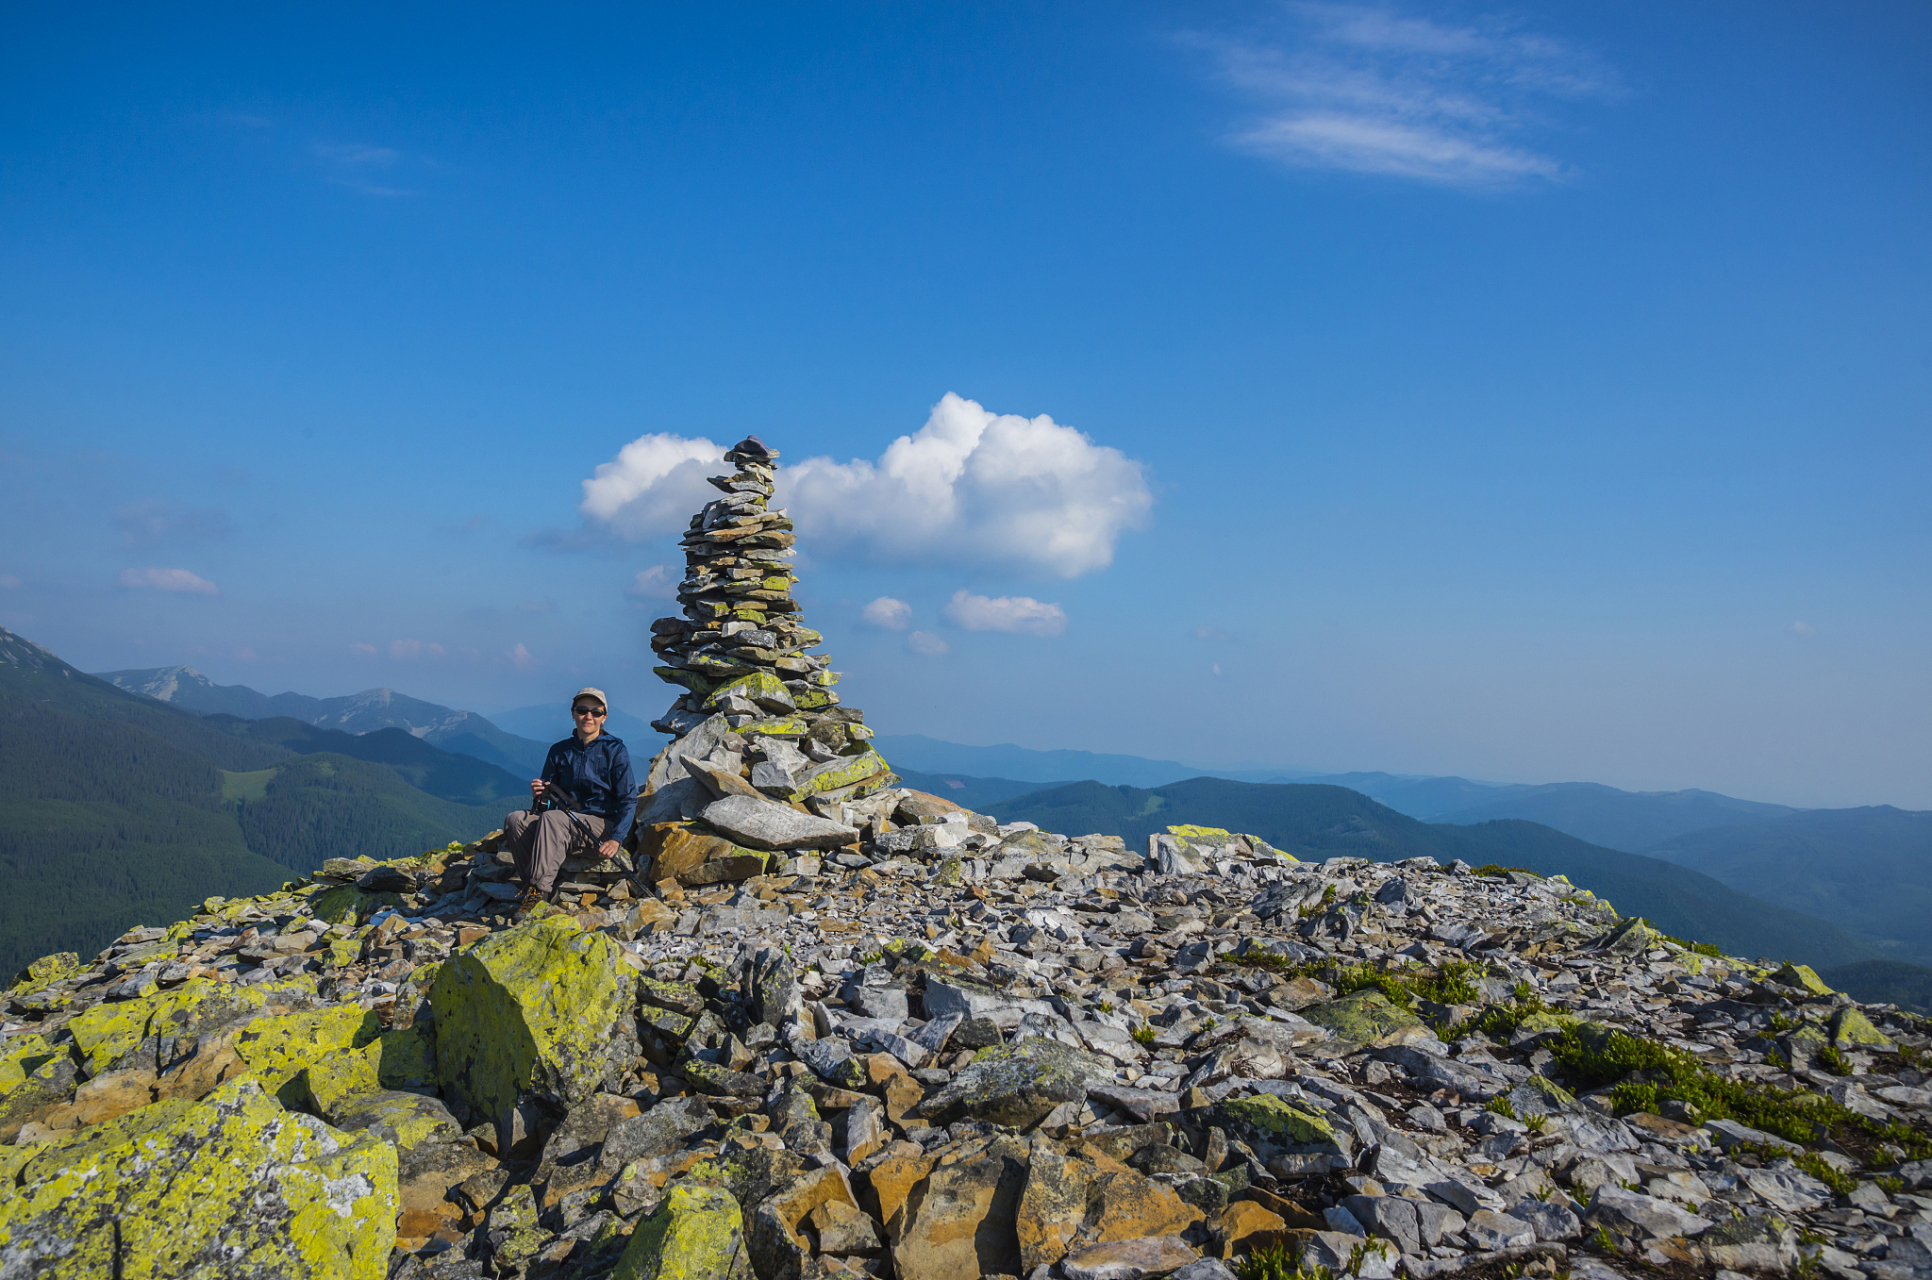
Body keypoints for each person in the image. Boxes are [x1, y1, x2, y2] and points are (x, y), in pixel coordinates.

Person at [501, 687, 635, 916]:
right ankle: (532, 885)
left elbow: (628, 798)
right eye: (582, 710)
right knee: (516, 820)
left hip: (601, 825)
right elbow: (545, 805)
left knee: (554, 819)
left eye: (596, 712)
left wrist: (616, 839)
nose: (589, 716)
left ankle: (538, 892)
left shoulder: (615, 750)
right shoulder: (559, 751)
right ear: (573, 713)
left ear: (604, 717)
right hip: (563, 823)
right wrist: (540, 796)